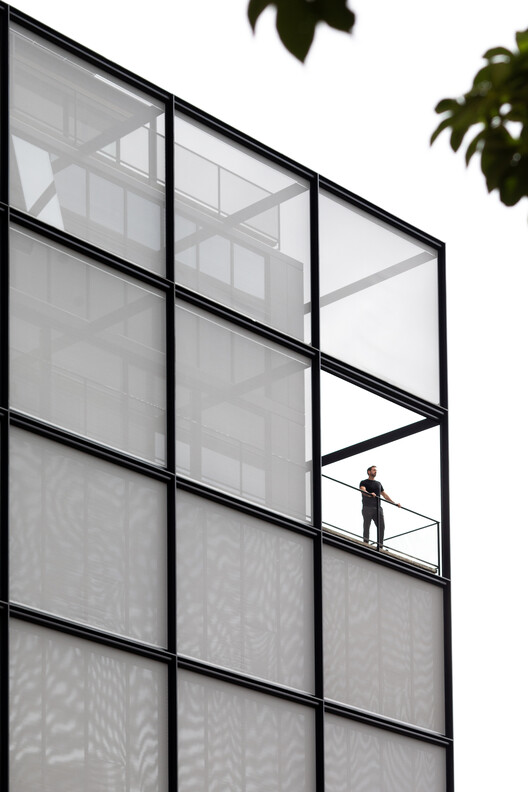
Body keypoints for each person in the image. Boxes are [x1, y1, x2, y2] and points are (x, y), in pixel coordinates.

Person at [359, 465, 401, 547]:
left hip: (378, 508)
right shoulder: (364, 482)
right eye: (374, 470)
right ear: (369, 472)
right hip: (367, 507)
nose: (375, 471)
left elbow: (385, 495)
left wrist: (394, 503)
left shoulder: (378, 483)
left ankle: (380, 546)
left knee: (381, 526)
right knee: (366, 526)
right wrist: (369, 494)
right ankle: (365, 544)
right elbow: (362, 490)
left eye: (376, 470)